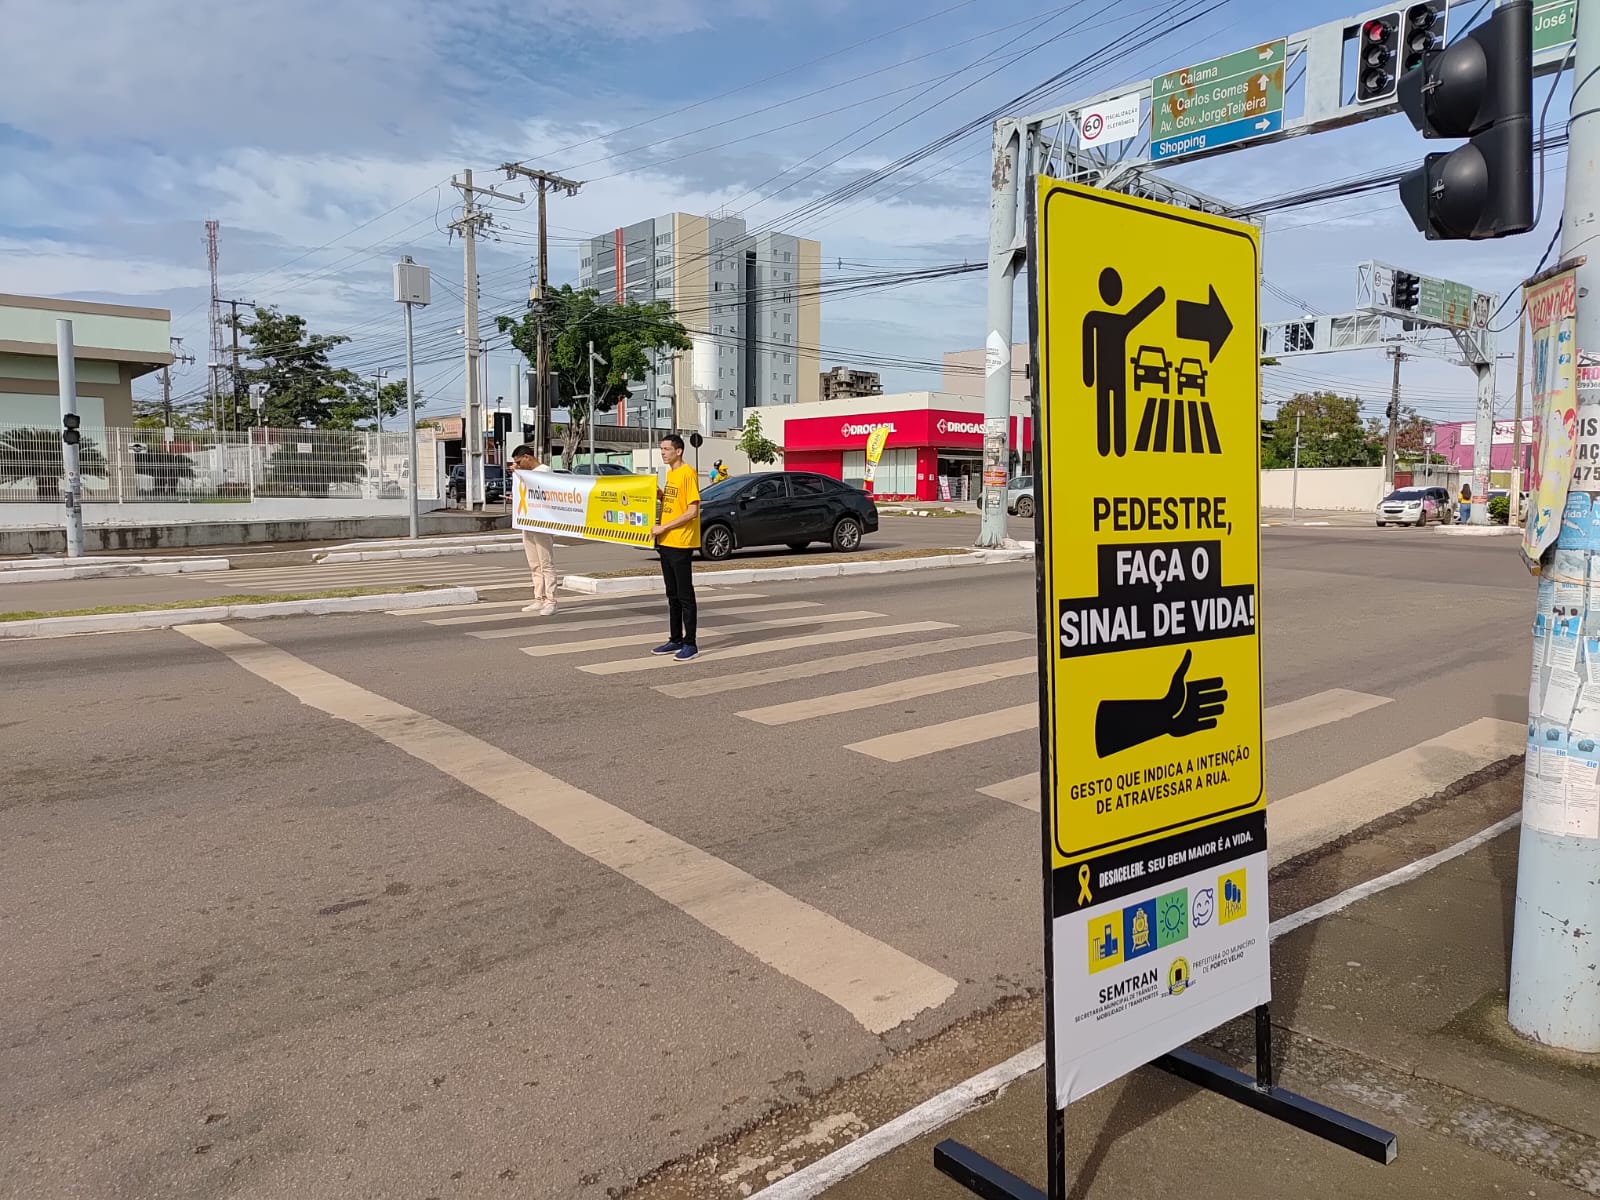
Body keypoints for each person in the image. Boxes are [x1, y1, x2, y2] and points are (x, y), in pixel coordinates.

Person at [651, 434, 701, 662]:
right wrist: (660, 495)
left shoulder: (687, 473)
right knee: (671, 595)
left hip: (681, 542)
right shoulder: (671, 474)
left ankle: (690, 643)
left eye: (667, 449)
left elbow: (692, 511)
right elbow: (673, 503)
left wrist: (664, 527)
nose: (663, 452)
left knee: (684, 595)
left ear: (678, 451)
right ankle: (675, 638)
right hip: (666, 542)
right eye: (661, 449)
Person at [511, 444, 557, 615]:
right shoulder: (525, 475)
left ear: (527, 457)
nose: (517, 466)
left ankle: (551, 600)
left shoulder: (544, 471)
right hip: (528, 521)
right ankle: (539, 597)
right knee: (534, 564)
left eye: (518, 462)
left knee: (546, 563)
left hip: (543, 523)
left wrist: (519, 474)